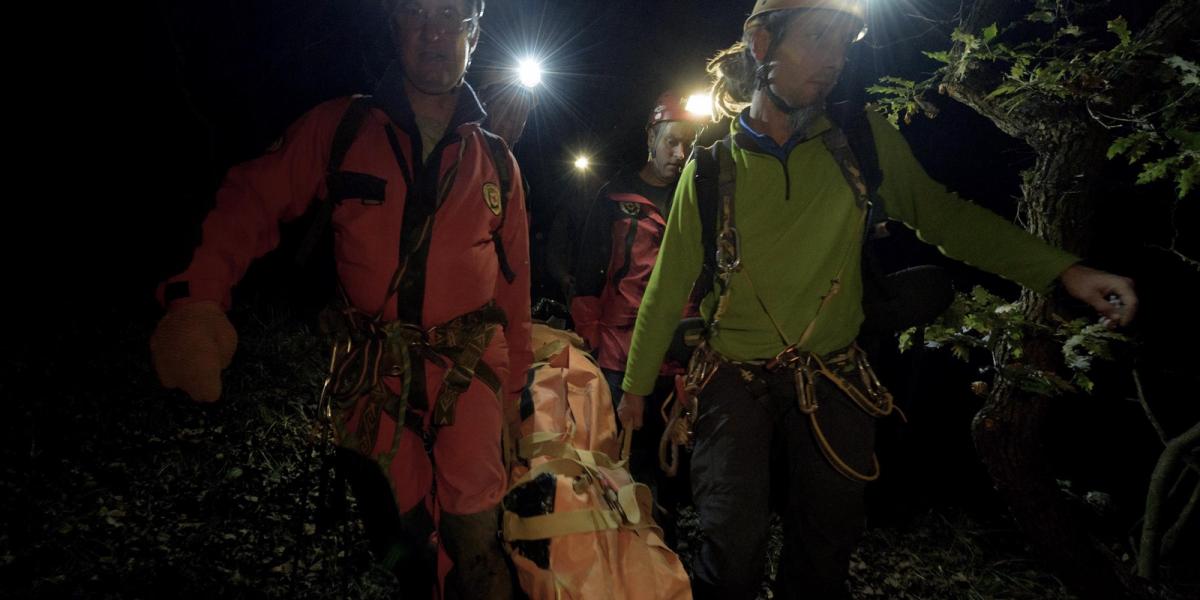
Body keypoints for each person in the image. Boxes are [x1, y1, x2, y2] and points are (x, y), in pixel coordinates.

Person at [615, 1, 1138, 598]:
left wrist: (1064, 272)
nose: (835, 60)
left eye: (843, 44)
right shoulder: (709, 170)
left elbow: (945, 217)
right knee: (730, 548)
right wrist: (634, 391)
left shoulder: (859, 141)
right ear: (761, 45)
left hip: (834, 373)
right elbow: (667, 282)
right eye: (818, 39)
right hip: (733, 377)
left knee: (826, 544)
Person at [149, 1, 532, 597]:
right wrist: (195, 299)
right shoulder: (342, 129)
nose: (433, 31)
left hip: (471, 372)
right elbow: (251, 198)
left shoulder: (499, 163)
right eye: (414, 13)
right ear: (394, 28)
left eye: (451, 14)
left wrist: (513, 400)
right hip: (369, 375)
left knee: (475, 545)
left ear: (474, 32)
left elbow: (515, 290)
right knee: (400, 540)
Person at [565, 92, 705, 540]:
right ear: (652, 137)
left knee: (673, 463)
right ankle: (617, 551)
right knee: (618, 461)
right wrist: (589, 336)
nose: (679, 154)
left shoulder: (698, 200)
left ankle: (661, 551)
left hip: (681, 359)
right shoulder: (615, 198)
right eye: (671, 143)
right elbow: (587, 272)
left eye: (689, 144)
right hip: (619, 357)